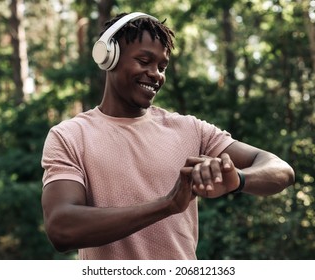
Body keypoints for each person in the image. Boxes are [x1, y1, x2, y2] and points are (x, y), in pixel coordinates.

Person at [41, 12, 295, 260]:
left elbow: (281, 171)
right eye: (144, 61)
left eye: (162, 66)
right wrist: (168, 204)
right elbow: (62, 229)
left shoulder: (191, 130)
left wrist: (237, 179)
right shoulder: (70, 136)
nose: (156, 74)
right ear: (108, 57)